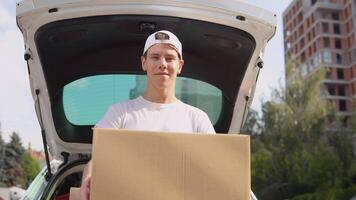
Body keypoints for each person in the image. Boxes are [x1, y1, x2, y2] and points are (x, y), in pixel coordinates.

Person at [79, 30, 215, 200]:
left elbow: (212, 170)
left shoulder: (198, 119)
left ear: (180, 65)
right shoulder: (120, 113)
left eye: (170, 58)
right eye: (155, 57)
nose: (162, 63)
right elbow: (98, 160)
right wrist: (87, 180)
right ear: (144, 63)